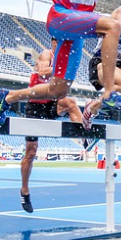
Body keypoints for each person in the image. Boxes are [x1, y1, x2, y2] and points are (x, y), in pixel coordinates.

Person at [20, 48, 86, 213]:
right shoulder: (46, 55)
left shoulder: (64, 59)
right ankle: (25, 191)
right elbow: (43, 71)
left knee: (71, 103)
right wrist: (62, 69)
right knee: (31, 153)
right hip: (34, 106)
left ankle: (84, 136)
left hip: (50, 104)